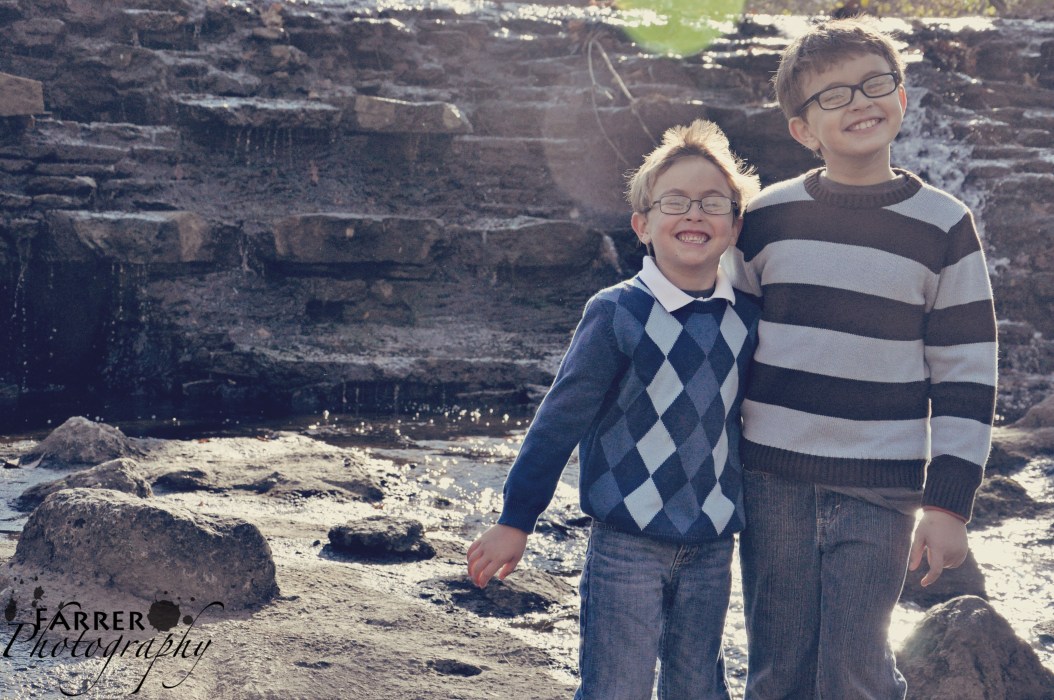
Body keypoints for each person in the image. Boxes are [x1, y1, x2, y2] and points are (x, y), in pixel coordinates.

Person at [724, 16, 998, 699]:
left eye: (875, 84)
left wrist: (948, 505)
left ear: (901, 97)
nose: (860, 103)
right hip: (772, 482)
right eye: (834, 94)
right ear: (802, 129)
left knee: (857, 671)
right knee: (778, 669)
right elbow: (725, 345)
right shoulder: (766, 218)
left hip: (882, 488)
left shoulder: (945, 225)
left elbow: (966, 372)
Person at [466, 118, 761, 700]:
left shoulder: (746, 319)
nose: (694, 214)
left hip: (710, 545)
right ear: (642, 224)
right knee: (616, 687)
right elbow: (559, 422)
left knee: (698, 687)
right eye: (674, 201)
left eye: (712, 203)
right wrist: (516, 519)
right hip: (627, 542)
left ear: (735, 225)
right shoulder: (618, 313)